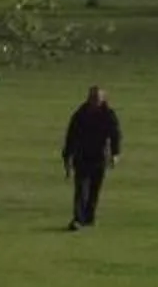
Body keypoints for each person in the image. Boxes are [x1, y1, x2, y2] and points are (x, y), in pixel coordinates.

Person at [61, 85, 121, 230]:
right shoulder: (80, 114)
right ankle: (78, 219)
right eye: (92, 98)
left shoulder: (108, 115)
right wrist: (67, 157)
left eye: (97, 99)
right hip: (82, 156)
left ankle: (89, 218)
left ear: (103, 100)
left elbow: (115, 135)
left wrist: (115, 154)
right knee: (81, 189)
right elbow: (71, 136)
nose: (94, 101)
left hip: (99, 157)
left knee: (94, 190)